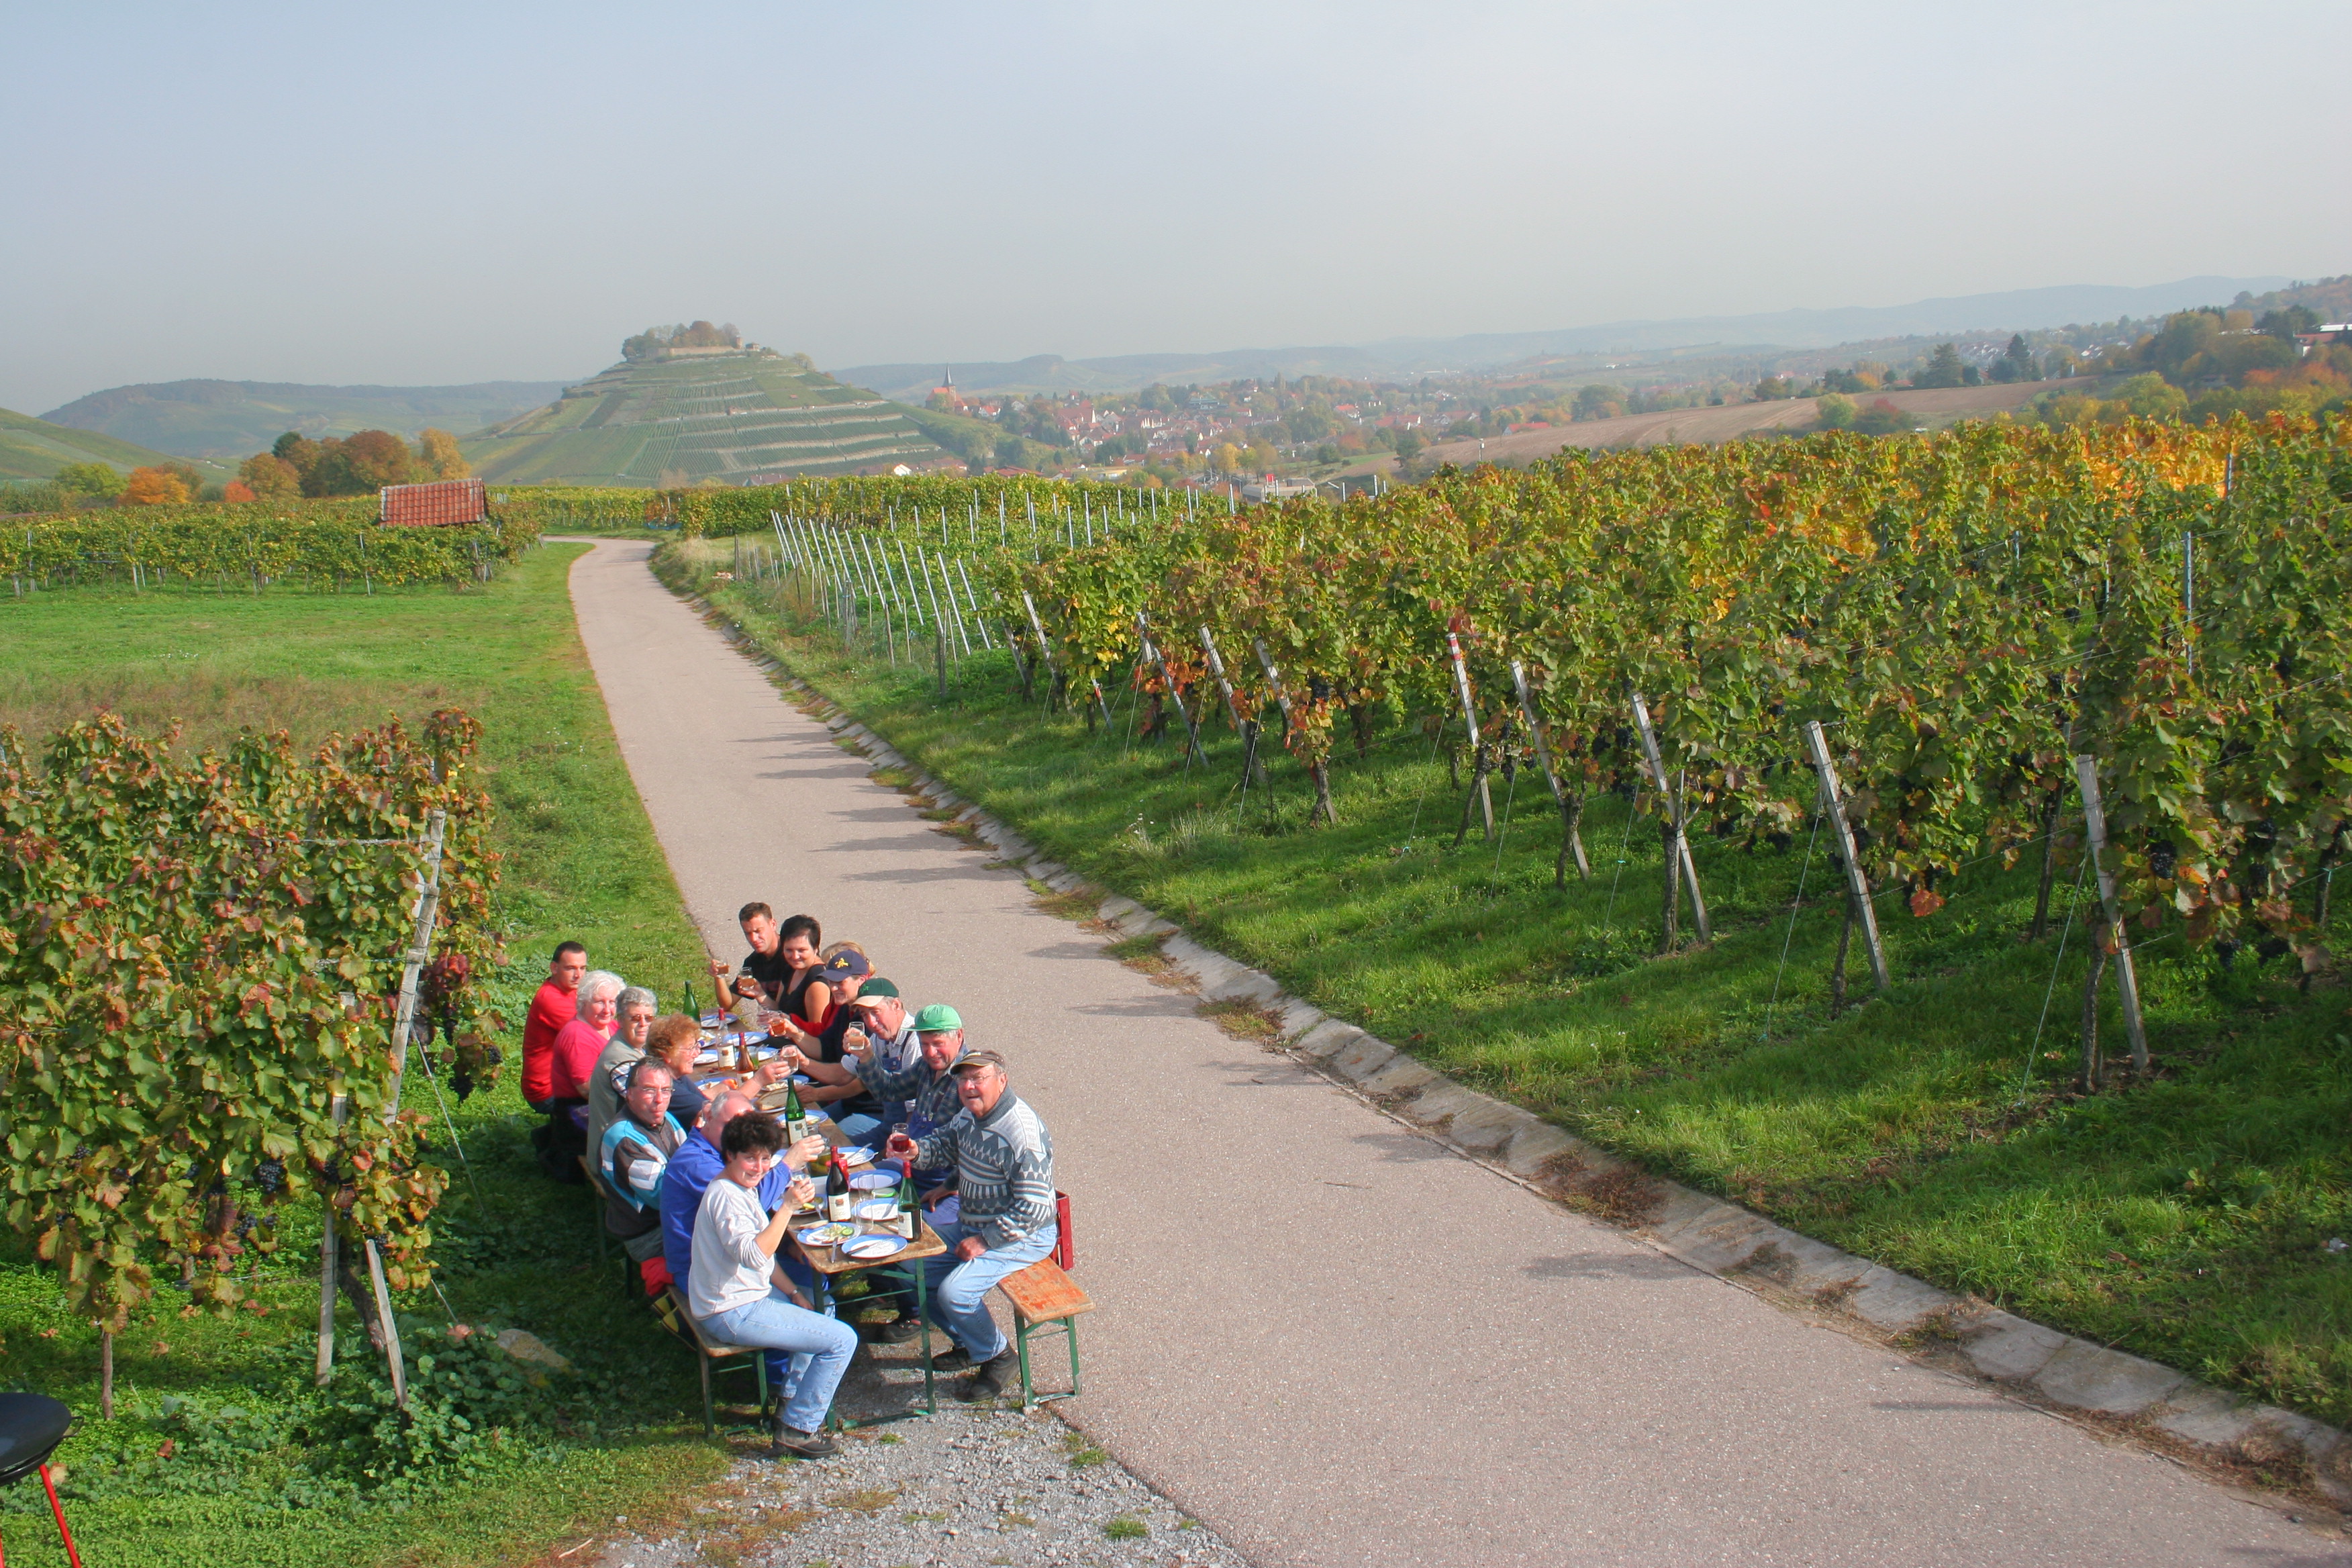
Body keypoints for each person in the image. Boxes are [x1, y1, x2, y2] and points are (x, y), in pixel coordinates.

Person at [883, 1048, 1057, 1402]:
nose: (969, 1086)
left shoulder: (1022, 1133)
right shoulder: (970, 1115)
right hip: (975, 1222)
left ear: (1002, 1080)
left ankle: (999, 1357)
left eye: (978, 1078)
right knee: (910, 1263)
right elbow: (948, 1144)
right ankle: (970, 1342)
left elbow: (1036, 1209)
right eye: (963, 1079)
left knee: (955, 1292)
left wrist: (985, 1241)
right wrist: (916, 1151)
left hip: (1021, 1235)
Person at [689, 1111, 861, 1459]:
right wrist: (786, 1207)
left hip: (747, 1295)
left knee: (820, 1304)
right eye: (750, 1158)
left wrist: (795, 1294)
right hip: (730, 1310)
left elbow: (765, 1264)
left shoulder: (742, 1187)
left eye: (766, 1158)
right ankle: (797, 1428)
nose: (759, 1167)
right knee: (843, 1339)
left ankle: (789, 1399)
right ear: (730, 1157)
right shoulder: (726, 1197)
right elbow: (755, 1255)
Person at [661, 1090, 826, 1320]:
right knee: (818, 1287)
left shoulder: (719, 1153)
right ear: (708, 1115)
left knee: (816, 1281)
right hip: (707, 1275)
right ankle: (778, 1352)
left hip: (734, 1255)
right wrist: (788, 1164)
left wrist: (787, 1241)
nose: (740, 1133)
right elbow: (754, 1202)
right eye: (732, 1125)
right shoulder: (698, 1164)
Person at [600, 1058, 688, 1291]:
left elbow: (690, 1159)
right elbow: (665, 1198)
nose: (659, 1100)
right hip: (649, 1234)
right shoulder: (623, 1139)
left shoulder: (663, 1118)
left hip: (671, 1219)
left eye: (666, 1090)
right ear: (629, 1094)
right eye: (649, 1091)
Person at [540, 970, 622, 1182]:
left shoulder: (609, 1025)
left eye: (612, 1002)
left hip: (604, 1102)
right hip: (581, 1116)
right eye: (599, 1002)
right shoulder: (577, 1036)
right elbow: (586, 1090)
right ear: (584, 1002)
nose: (607, 1009)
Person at [587, 985, 657, 1154]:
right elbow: (654, 1106)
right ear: (620, 1020)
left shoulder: (637, 1046)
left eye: (648, 1018)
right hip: (615, 1157)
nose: (643, 1024)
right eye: (635, 1018)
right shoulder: (620, 1062)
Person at [523, 942, 587, 1115]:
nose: (578, 975)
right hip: (547, 1091)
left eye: (583, 968)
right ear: (554, 968)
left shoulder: (569, 989)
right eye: (571, 969)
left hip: (560, 1078)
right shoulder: (552, 1000)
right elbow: (592, 1035)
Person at [644, 1012, 712, 1130]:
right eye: (690, 1048)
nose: (697, 1053)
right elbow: (714, 1114)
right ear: (665, 1054)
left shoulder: (678, 1076)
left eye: (696, 1046)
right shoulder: (667, 1089)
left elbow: (707, 1104)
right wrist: (755, 1082)